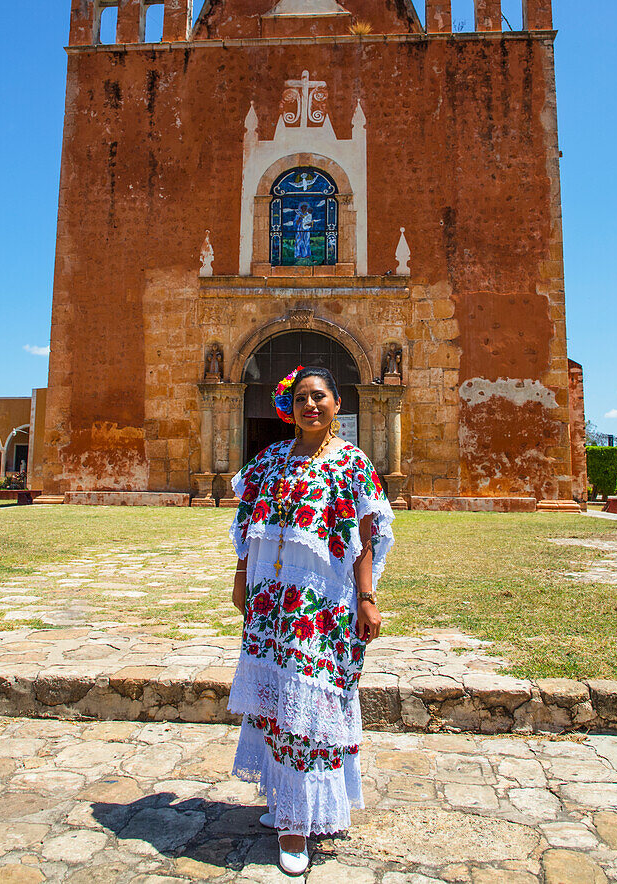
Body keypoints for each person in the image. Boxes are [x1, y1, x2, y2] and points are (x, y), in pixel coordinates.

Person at [228, 365, 394, 875]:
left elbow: (364, 535)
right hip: (269, 603)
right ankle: (286, 803)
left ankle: (298, 826)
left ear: (337, 405)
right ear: (290, 407)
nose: (310, 406)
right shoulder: (271, 460)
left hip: (320, 607)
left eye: (319, 397)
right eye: (301, 398)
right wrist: (239, 576)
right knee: (278, 704)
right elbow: (246, 522)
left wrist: (367, 597)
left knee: (309, 702)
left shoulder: (350, 463)